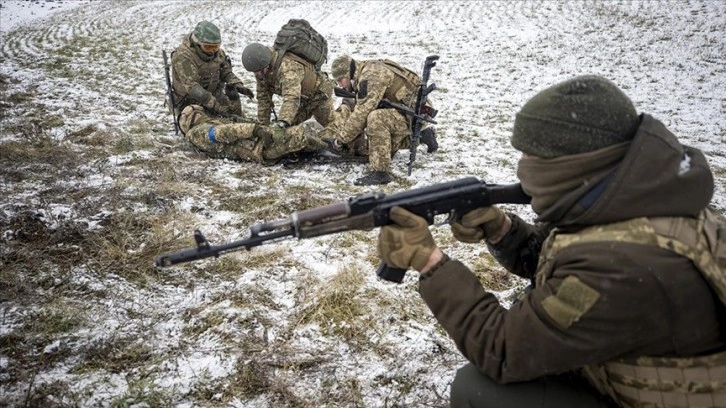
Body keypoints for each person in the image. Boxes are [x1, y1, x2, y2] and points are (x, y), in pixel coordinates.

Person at [376, 75, 725, 407]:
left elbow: (504, 350)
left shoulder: (624, 265)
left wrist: (430, 262)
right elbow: (570, 259)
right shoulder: (640, 198)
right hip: (625, 373)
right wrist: (502, 230)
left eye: (531, 155)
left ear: (574, 164)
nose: (521, 166)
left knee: (477, 390)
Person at [325, 54, 438, 186]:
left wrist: (340, 141)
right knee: (380, 145)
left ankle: (381, 173)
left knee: (376, 118)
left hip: (415, 114)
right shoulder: (367, 69)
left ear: (348, 74)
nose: (341, 85)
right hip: (409, 112)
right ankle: (423, 136)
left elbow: (362, 113)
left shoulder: (370, 75)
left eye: (340, 80)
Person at [178, 104, 326, 165]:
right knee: (301, 135)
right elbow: (223, 132)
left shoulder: (211, 124)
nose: (196, 115)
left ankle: (331, 145)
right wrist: (254, 130)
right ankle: (335, 147)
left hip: (258, 143)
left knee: (307, 132)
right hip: (258, 147)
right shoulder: (196, 133)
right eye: (193, 115)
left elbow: (235, 121)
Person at [171, 21, 254, 122]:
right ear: (197, 43)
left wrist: (237, 84)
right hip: (189, 102)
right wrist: (215, 106)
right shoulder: (183, 56)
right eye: (209, 47)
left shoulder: (218, 54)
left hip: (215, 96)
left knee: (240, 121)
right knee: (213, 129)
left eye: (216, 47)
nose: (213, 51)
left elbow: (226, 72)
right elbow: (192, 87)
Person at [240, 42, 335, 130]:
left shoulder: (287, 68)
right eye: (254, 72)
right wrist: (263, 127)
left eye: (258, 71)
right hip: (302, 98)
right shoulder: (262, 72)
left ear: (266, 64)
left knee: (332, 127)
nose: (257, 75)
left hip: (319, 95)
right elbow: (263, 99)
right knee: (289, 131)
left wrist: (282, 122)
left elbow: (291, 98)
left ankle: (346, 109)